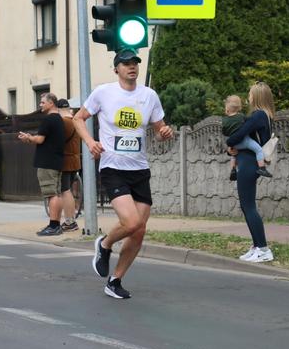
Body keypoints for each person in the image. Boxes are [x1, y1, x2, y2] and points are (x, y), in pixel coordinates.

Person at [73, 48, 174, 299]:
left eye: (135, 63)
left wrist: (165, 133)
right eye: (126, 63)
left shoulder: (149, 96)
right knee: (131, 222)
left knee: (139, 231)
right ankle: (104, 244)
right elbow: (78, 118)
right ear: (116, 68)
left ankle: (115, 280)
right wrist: (90, 141)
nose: (132, 67)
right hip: (112, 167)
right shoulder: (103, 93)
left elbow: (160, 127)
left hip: (139, 169)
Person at [226, 82, 275, 263]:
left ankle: (263, 249)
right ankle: (256, 246)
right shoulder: (266, 116)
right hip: (248, 162)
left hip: (248, 164)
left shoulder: (258, 115)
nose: (249, 96)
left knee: (249, 206)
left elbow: (237, 136)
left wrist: (229, 142)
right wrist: (231, 149)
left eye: (251, 94)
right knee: (247, 206)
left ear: (256, 97)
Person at [18, 93, 65, 236]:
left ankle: (54, 225)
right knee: (56, 193)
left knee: (51, 194)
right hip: (56, 160)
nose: (40, 105)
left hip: (47, 162)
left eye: (43, 102)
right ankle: (56, 224)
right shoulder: (58, 119)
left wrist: (28, 137)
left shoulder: (49, 119)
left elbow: (39, 139)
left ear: (51, 103)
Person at [222, 95, 272, 181]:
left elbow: (225, 132)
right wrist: (229, 142)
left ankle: (233, 170)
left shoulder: (224, 120)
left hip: (235, 145)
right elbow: (244, 131)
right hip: (245, 142)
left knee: (233, 155)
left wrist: (230, 144)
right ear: (239, 107)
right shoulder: (242, 117)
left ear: (227, 108)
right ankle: (262, 168)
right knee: (258, 150)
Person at [56, 98, 81, 232]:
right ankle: (70, 220)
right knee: (68, 190)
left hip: (66, 161)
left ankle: (70, 221)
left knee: (65, 191)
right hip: (75, 160)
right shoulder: (75, 121)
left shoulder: (65, 122)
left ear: (58, 109)